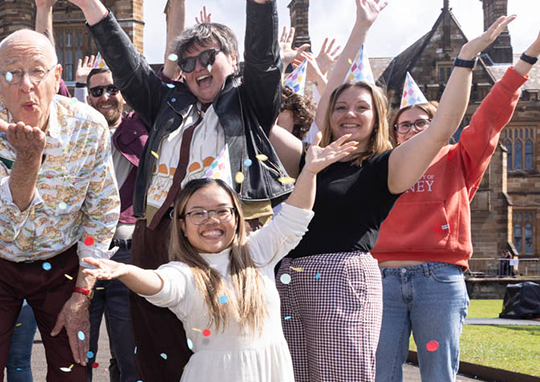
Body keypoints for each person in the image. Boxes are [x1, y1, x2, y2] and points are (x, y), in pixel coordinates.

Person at [46, 0, 309, 381]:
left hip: (226, 234)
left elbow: (265, 63)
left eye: (209, 57)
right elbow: (128, 69)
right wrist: (91, 4)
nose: (198, 68)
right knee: (153, 354)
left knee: (226, 342)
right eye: (188, 63)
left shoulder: (250, 105)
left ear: (231, 60)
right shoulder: (168, 105)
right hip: (158, 235)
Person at [269, 0, 512, 382]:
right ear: (328, 116)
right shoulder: (308, 156)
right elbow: (260, 114)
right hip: (290, 282)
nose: (349, 113)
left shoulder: (386, 166)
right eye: (341, 107)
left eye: (361, 107)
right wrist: (283, 62)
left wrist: (465, 59)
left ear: (377, 116)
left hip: (342, 284)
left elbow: (441, 129)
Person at [85, 132, 357, 381]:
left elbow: (294, 219)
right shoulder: (184, 272)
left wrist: (309, 171)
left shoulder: (257, 251)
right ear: (182, 224)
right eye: (198, 213)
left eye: (221, 211)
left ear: (237, 218)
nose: (210, 221)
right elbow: (159, 283)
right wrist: (125, 271)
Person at [372, 22, 539, 382]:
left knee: (438, 376)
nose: (413, 129)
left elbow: (489, 118)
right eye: (405, 125)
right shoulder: (382, 165)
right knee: (379, 375)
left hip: (438, 281)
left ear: (438, 126)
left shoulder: (457, 158)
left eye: (423, 123)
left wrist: (528, 58)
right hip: (381, 280)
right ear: (393, 132)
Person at [0, 22, 120, 380]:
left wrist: (82, 292)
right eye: (13, 74)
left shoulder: (89, 127)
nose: (26, 85)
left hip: (60, 260)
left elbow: (102, 212)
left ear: (57, 75)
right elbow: (2, 220)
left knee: (74, 369)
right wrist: (28, 160)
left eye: (37, 72)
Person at [69, 58, 144, 382]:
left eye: (112, 88)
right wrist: (43, 9)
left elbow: (166, 83)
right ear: (88, 96)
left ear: (123, 93)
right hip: (82, 256)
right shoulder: (79, 133)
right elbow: (54, 105)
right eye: (96, 90)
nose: (105, 96)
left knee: (129, 355)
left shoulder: (137, 127)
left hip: (125, 253)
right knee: (77, 354)